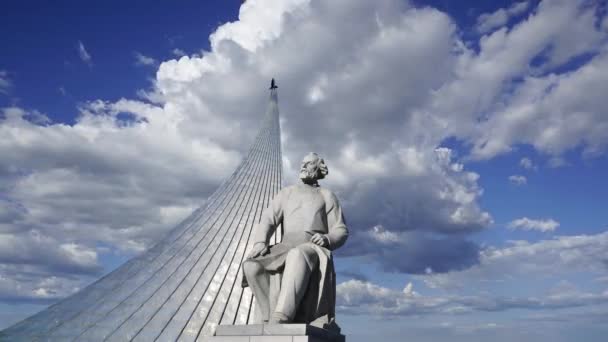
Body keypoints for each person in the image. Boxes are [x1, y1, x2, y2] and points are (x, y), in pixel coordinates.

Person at [242, 152, 348, 327]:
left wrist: (327, 238)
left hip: (312, 246)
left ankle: (283, 315)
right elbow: (268, 219)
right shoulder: (287, 193)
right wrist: (261, 242)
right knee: (251, 266)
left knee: (297, 254)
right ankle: (268, 317)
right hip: (285, 246)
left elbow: (340, 229)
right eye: (303, 163)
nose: (304, 167)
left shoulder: (326, 195)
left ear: (318, 168)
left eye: (309, 164)